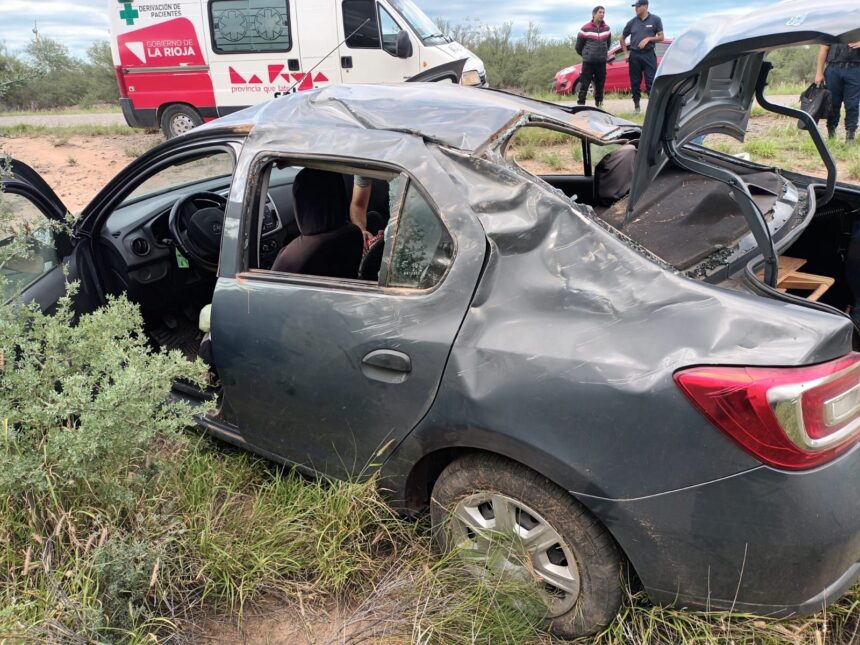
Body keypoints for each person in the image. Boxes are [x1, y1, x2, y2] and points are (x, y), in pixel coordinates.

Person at [620, 0, 664, 114]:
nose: (636, 9)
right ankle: (637, 107)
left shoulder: (655, 19)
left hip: (649, 55)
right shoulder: (632, 22)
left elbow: (661, 37)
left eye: (638, 6)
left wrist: (649, 38)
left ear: (645, 6)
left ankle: (653, 109)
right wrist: (625, 53)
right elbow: (621, 38)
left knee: (651, 82)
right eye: (635, 7)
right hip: (635, 56)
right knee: (635, 82)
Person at [814, 41, 860, 142]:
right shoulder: (832, 26)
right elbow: (823, 49)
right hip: (833, 69)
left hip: (855, 69)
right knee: (832, 103)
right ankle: (831, 135)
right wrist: (819, 72)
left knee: (852, 104)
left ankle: (850, 138)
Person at [575, 6, 611, 108]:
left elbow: (608, 44)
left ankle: (599, 104)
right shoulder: (585, 28)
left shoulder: (607, 29)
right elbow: (578, 47)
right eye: (600, 12)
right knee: (584, 84)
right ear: (594, 14)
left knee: (600, 85)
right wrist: (587, 55)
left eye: (603, 12)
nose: (602, 14)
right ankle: (581, 105)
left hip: (601, 63)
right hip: (588, 63)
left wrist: (602, 55)